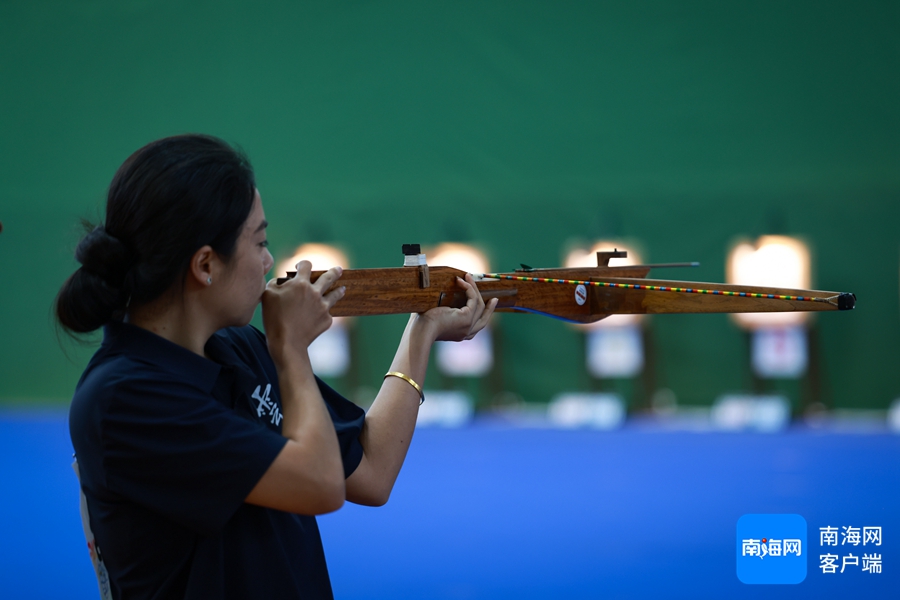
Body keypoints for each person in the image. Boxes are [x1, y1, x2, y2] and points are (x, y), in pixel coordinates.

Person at [57, 134, 497, 599]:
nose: (269, 261)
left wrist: (422, 329)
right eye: (259, 241)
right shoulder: (125, 398)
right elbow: (320, 485)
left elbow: (372, 472)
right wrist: (290, 351)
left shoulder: (238, 347)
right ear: (206, 264)